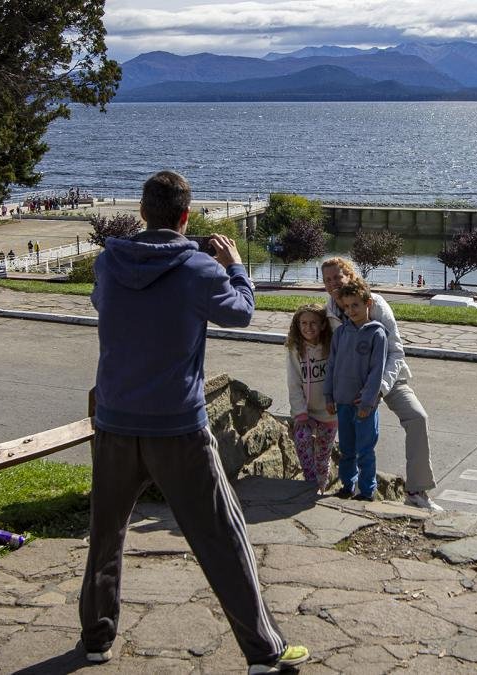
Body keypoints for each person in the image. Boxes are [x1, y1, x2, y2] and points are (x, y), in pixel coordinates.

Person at [81, 170, 307, 672]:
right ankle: (263, 651)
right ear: (186, 216)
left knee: (106, 534)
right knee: (221, 535)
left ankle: (96, 639)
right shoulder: (199, 268)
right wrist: (236, 266)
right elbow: (241, 313)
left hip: (115, 421)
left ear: (143, 212)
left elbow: (103, 303)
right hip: (177, 426)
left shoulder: (108, 262)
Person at [320, 257, 443, 511]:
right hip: (350, 383)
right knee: (348, 440)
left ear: (350, 276)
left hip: (385, 376)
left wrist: (379, 390)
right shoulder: (330, 311)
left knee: (417, 417)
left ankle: (416, 491)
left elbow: (396, 352)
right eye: (327, 280)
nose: (332, 283)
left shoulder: (374, 304)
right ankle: (345, 484)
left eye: (337, 277)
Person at [325, 279, 387, 502]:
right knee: (347, 449)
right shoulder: (341, 333)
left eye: (355, 305)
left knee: (365, 450)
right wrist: (329, 395)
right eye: (346, 307)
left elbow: (377, 371)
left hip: (364, 405)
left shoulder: (377, 334)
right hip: (342, 401)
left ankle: (367, 491)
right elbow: (332, 365)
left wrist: (368, 401)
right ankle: (347, 486)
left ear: (368, 303)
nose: (351, 311)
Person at [285, 304, 336, 492]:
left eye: (313, 323)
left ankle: (321, 488)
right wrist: (300, 412)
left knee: (323, 456)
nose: (308, 327)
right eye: (304, 323)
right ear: (297, 325)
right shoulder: (295, 349)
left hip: (329, 413)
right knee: (302, 440)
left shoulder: (331, 345)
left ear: (323, 325)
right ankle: (310, 485)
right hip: (306, 413)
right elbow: (294, 382)